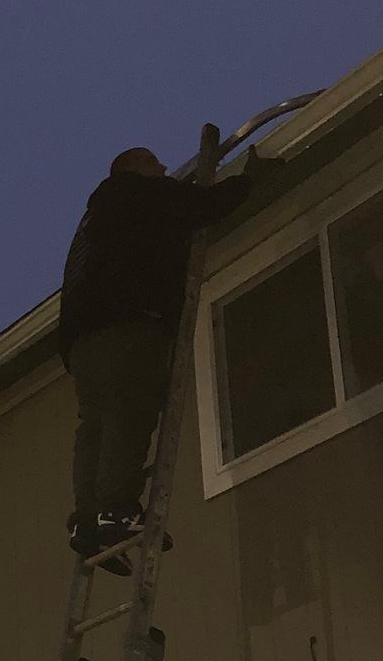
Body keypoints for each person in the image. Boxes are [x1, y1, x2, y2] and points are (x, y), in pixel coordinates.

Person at [59, 142, 281, 564]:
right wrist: (250, 178)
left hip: (82, 339)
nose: (164, 168)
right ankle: (115, 511)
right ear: (135, 168)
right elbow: (203, 204)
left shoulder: (96, 217)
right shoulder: (138, 193)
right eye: (155, 162)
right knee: (130, 410)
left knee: (96, 422)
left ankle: (86, 520)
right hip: (127, 324)